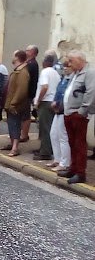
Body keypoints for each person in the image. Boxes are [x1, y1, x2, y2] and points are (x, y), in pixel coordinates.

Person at [58, 50, 95, 184]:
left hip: (78, 114)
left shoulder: (89, 72)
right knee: (72, 143)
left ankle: (80, 173)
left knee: (79, 144)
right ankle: (73, 169)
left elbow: (91, 92)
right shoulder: (75, 73)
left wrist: (82, 111)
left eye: (71, 60)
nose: (69, 63)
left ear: (80, 60)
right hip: (69, 113)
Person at [2, 50, 30, 157]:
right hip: (10, 103)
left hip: (15, 105)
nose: (12, 57)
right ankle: (12, 144)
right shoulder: (17, 71)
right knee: (12, 124)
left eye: (13, 55)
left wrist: (14, 102)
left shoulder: (22, 72)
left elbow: (21, 89)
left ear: (17, 57)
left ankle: (15, 148)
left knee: (15, 124)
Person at [33, 53, 60, 161]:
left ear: (44, 63)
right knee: (51, 128)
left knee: (45, 128)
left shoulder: (45, 72)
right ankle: (46, 148)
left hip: (45, 101)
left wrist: (38, 101)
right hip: (53, 101)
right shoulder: (56, 73)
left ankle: (45, 152)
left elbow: (44, 87)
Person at [48, 58, 72, 173]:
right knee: (54, 134)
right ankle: (57, 159)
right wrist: (55, 102)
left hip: (63, 110)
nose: (64, 68)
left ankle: (65, 163)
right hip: (58, 110)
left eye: (67, 66)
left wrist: (57, 103)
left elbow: (65, 95)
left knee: (63, 137)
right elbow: (58, 92)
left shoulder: (70, 80)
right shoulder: (63, 78)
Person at [20, 45, 39, 142]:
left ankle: (24, 135)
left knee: (26, 115)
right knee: (24, 114)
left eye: (27, 50)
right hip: (27, 93)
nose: (25, 52)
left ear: (32, 52)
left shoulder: (32, 64)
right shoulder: (29, 63)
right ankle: (22, 134)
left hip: (28, 93)